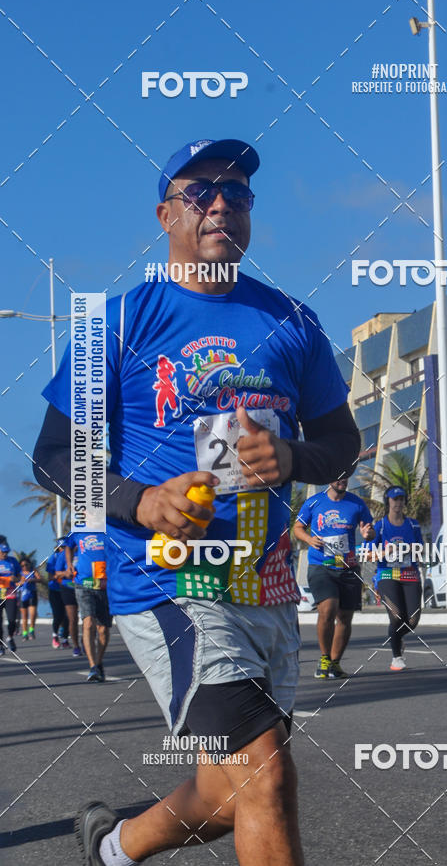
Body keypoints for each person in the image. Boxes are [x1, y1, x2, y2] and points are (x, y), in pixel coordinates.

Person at [33, 138, 361, 866]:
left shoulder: (294, 321)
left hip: (264, 580)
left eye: (238, 193)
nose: (221, 203)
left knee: (231, 787)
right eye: (201, 191)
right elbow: (53, 457)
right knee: (267, 773)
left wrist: (294, 459)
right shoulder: (116, 323)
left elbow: (342, 441)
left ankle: (112, 847)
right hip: (169, 579)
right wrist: (141, 499)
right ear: (165, 214)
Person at [294, 478, 374, 679]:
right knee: (328, 609)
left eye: (346, 477)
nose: (343, 481)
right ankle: (324, 658)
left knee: (345, 617)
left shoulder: (357, 503)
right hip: (321, 565)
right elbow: (297, 528)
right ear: (330, 479)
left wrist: (368, 533)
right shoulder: (314, 502)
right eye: (339, 477)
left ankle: (335, 663)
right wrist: (309, 539)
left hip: (348, 567)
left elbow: (369, 530)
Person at [371, 486, 424, 671]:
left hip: (410, 574)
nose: (398, 503)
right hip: (387, 575)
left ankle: (398, 637)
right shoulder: (381, 526)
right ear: (388, 502)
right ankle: (396, 657)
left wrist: (411, 549)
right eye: (395, 499)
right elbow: (369, 555)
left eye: (401, 499)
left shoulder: (413, 525)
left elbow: (422, 550)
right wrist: (387, 551)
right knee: (396, 616)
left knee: (413, 619)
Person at [72, 532, 111, 682]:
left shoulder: (109, 529)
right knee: (88, 623)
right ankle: (92, 666)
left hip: (104, 585)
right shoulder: (78, 530)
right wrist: (69, 563)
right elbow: (67, 545)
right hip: (83, 584)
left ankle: (99, 661)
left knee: (103, 629)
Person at [54, 535, 82, 656]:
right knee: (73, 619)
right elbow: (56, 573)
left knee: (89, 617)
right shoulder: (62, 556)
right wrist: (65, 573)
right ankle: (76, 646)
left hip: (84, 586)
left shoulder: (84, 552)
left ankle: (86, 640)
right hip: (68, 588)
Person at [46, 539, 71, 648]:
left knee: (67, 616)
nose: (65, 549)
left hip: (68, 589)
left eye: (66, 547)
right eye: (63, 547)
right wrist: (64, 574)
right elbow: (51, 577)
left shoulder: (72, 557)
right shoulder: (53, 558)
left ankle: (65, 639)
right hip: (55, 591)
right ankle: (55, 635)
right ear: (59, 548)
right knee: (58, 615)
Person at [0, 542, 21, 653]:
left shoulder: (12, 561)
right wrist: (7, 580)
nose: (5, 554)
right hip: (0, 593)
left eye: (6, 552)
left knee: (12, 620)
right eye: (3, 552)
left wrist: (16, 579)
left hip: (10, 594)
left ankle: (10, 637)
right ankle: (0, 645)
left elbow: (19, 576)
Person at [18, 558, 41, 640]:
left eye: (26, 565)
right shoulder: (19, 573)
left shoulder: (33, 571)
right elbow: (15, 582)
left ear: (29, 564)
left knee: (32, 614)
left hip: (32, 593)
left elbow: (40, 579)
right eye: (22, 566)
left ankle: (31, 629)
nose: (24, 567)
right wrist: (20, 582)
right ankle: (25, 633)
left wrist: (32, 579)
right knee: (24, 616)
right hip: (23, 594)